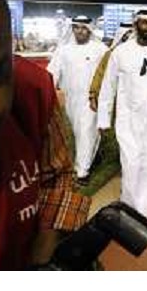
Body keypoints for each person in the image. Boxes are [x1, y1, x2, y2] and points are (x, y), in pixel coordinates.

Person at [0, 0, 90, 270]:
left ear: (9, 59)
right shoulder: (63, 53)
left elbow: (57, 175)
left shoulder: (32, 91)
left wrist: (42, 262)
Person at [97, 10, 147, 226]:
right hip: (129, 119)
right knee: (131, 163)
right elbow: (108, 86)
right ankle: (133, 209)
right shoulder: (120, 52)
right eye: (144, 23)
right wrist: (103, 119)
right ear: (135, 25)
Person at [47, 15, 108, 184]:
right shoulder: (63, 50)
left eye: (84, 28)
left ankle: (82, 172)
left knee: (86, 131)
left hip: (91, 99)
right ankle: (90, 159)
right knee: (78, 133)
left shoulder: (100, 49)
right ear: (72, 29)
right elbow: (51, 74)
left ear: (89, 30)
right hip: (71, 100)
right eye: (77, 27)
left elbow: (107, 74)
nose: (80, 31)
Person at [89, 22, 133, 113]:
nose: (128, 37)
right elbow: (100, 75)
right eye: (125, 35)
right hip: (114, 98)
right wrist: (93, 95)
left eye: (131, 34)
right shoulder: (110, 54)